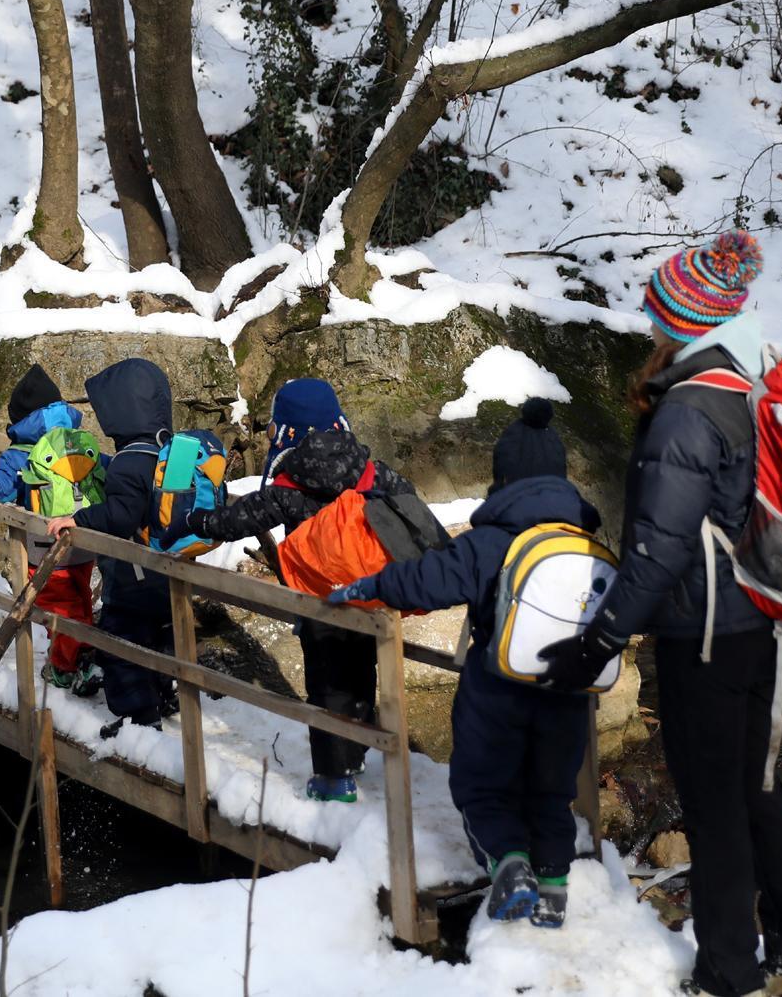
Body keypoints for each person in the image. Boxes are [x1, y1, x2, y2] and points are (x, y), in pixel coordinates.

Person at [540, 231, 782, 996]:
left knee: (712, 806)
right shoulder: (754, 387)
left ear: (683, 321)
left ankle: (728, 970)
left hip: (704, 636)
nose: (650, 327)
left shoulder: (685, 414)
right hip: (769, 622)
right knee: (757, 787)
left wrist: (598, 639)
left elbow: (660, 552)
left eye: (658, 314)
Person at [324, 400, 599, 929]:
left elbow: (426, 579)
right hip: (567, 690)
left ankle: (508, 864)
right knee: (551, 790)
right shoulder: (584, 540)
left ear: (503, 477)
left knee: (482, 783)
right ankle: (554, 892)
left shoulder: (490, 541)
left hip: (498, 690)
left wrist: (370, 586)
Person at [185, 377, 436, 803]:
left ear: (288, 430)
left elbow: (239, 520)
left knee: (327, 685)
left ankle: (335, 779)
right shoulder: (369, 469)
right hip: (369, 597)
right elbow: (408, 502)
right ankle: (358, 754)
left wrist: (198, 521)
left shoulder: (291, 483)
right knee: (361, 674)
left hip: (321, 603)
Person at [0, 364, 102, 697]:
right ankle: (83, 655)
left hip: (45, 546)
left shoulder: (20, 452)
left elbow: (0, 488)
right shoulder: (76, 443)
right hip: (85, 540)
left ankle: (68, 665)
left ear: (20, 419)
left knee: (58, 606)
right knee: (79, 597)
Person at [56, 358, 180, 734]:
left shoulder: (128, 461)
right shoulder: (170, 451)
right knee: (160, 637)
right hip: (168, 570)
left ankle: (138, 722)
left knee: (122, 645)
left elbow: (122, 515)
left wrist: (78, 519)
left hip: (132, 578)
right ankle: (165, 695)